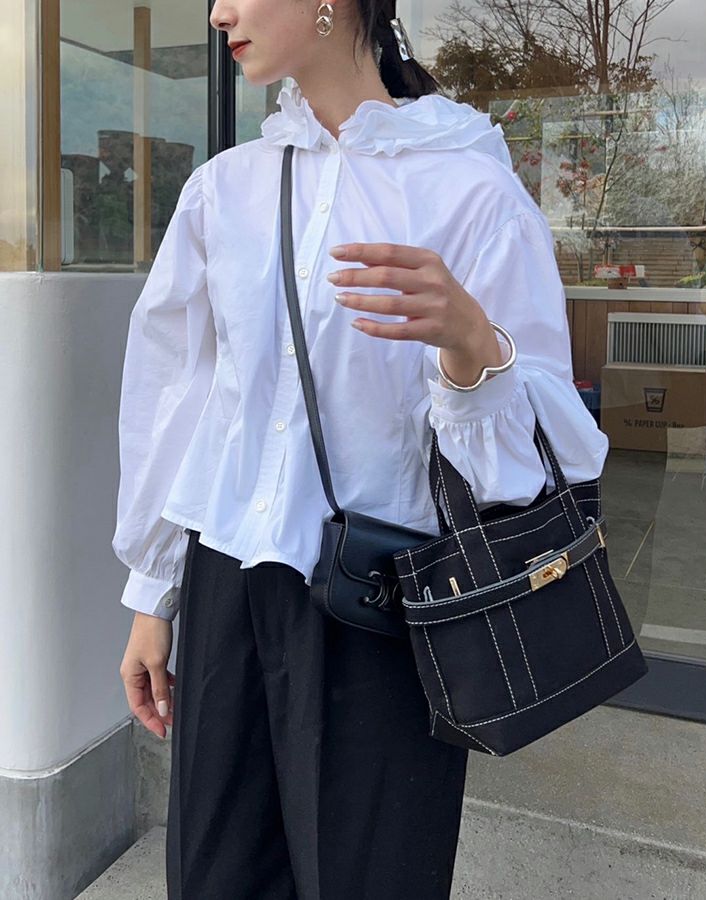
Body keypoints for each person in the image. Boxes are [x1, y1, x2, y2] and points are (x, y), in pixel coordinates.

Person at [113, 0, 609, 897]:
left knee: (370, 878)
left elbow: (551, 452)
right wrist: (154, 595)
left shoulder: (470, 191)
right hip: (227, 580)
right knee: (216, 874)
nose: (219, 11)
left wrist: (472, 344)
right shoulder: (225, 191)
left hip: (382, 600)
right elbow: (182, 401)